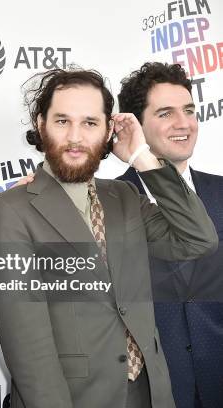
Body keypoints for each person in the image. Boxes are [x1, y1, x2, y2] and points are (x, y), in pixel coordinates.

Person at [0, 68, 218, 408]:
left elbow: (198, 239)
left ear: (109, 130)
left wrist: (142, 157)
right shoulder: (9, 210)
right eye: (63, 121)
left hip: (151, 393)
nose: (76, 137)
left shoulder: (124, 196)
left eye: (90, 123)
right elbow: (26, 346)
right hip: (76, 398)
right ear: (41, 123)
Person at [117, 62, 223, 408]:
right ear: (136, 124)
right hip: (151, 390)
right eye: (165, 113)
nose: (184, 124)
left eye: (189, 111)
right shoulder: (108, 202)